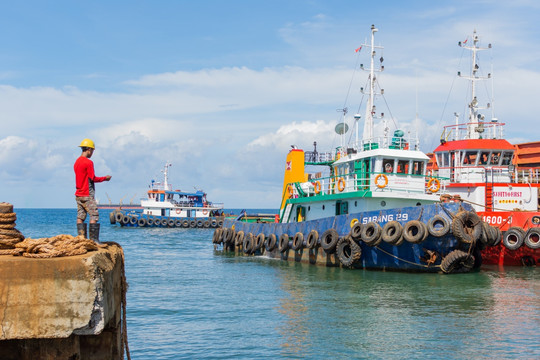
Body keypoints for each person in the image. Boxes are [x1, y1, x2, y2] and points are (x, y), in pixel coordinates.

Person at [74, 139, 111, 242]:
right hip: (87, 194)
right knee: (94, 215)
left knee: (80, 216)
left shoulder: (77, 162)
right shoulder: (88, 162)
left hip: (78, 194)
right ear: (89, 150)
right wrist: (105, 178)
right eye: (92, 151)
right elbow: (93, 178)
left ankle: (81, 240)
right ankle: (94, 241)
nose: (92, 154)